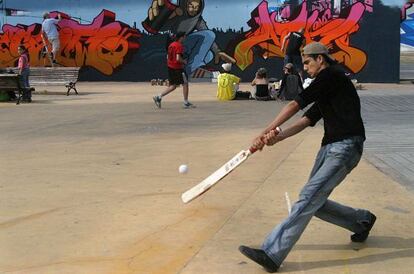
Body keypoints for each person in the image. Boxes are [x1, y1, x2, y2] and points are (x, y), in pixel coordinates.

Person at [239, 42, 376, 273]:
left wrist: (264, 131)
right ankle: (361, 220)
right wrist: (275, 138)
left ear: (320, 59)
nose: (305, 67)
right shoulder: (329, 85)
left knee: (307, 197)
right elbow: (306, 120)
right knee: (316, 202)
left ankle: (272, 253)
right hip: (331, 147)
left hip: (345, 147)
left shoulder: (331, 76)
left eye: (307, 62)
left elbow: (295, 104)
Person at [153, 32, 195, 109]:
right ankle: (186, 102)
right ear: (181, 37)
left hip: (171, 67)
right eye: (184, 37)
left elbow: (168, 57)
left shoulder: (171, 45)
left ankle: (158, 97)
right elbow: (178, 58)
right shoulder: (179, 46)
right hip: (177, 68)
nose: (185, 39)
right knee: (185, 83)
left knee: (173, 86)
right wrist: (184, 61)